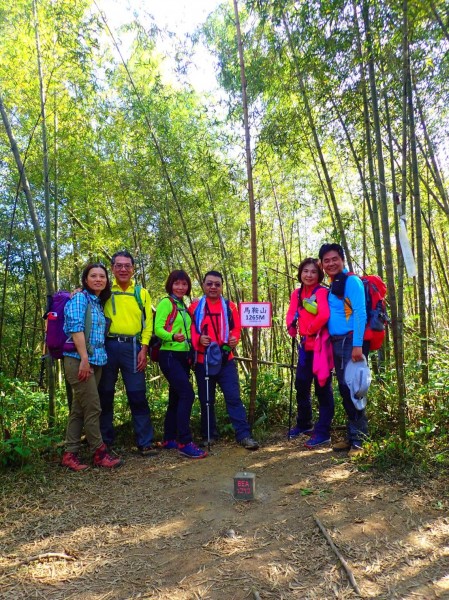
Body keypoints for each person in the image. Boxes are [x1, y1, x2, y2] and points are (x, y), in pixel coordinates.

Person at [61, 263, 123, 471]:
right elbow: (76, 328)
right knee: (94, 407)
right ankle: (99, 452)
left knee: (79, 408)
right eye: (93, 276)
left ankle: (70, 453)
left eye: (102, 276)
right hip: (79, 360)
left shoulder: (97, 302)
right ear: (85, 279)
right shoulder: (80, 298)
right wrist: (84, 359)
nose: (98, 279)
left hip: (96, 361)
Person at [189, 270, 259, 450]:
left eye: (217, 284)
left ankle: (243, 435)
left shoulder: (230, 306)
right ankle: (209, 435)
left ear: (222, 286)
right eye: (209, 283)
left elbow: (236, 329)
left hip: (226, 359)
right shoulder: (195, 307)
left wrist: (235, 339)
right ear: (203, 285)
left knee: (233, 397)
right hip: (203, 360)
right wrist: (198, 339)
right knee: (206, 400)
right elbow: (190, 329)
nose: (213, 287)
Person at [98, 251, 155, 456]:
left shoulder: (142, 293)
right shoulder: (104, 289)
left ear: (133, 268)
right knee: (105, 394)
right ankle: (104, 442)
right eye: (119, 265)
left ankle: (145, 441)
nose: (123, 269)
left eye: (127, 266)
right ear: (112, 268)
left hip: (133, 346)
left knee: (137, 394)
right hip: (107, 345)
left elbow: (148, 323)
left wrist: (144, 348)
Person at [318, 243, 368, 457]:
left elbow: (359, 313)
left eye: (334, 259)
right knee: (344, 389)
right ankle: (352, 436)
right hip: (338, 343)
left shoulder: (352, 281)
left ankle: (359, 441)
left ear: (342, 260)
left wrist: (357, 345)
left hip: (351, 343)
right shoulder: (334, 284)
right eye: (326, 260)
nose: (330, 263)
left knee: (355, 390)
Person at [155, 270, 207, 459]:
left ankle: (169, 438)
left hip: (182, 356)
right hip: (169, 354)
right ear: (170, 285)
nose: (180, 287)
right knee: (187, 393)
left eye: (184, 284)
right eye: (177, 284)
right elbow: (158, 328)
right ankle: (185, 441)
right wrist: (172, 336)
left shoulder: (183, 306)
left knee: (176, 397)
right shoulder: (166, 303)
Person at [285, 258, 334, 449]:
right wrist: (290, 326)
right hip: (305, 347)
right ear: (300, 273)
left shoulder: (321, 292)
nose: (309, 275)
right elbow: (291, 313)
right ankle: (304, 423)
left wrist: (310, 329)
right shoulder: (296, 294)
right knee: (301, 384)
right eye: (305, 271)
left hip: (321, 346)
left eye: (313, 272)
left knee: (323, 387)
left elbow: (324, 314)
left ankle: (323, 432)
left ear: (319, 274)